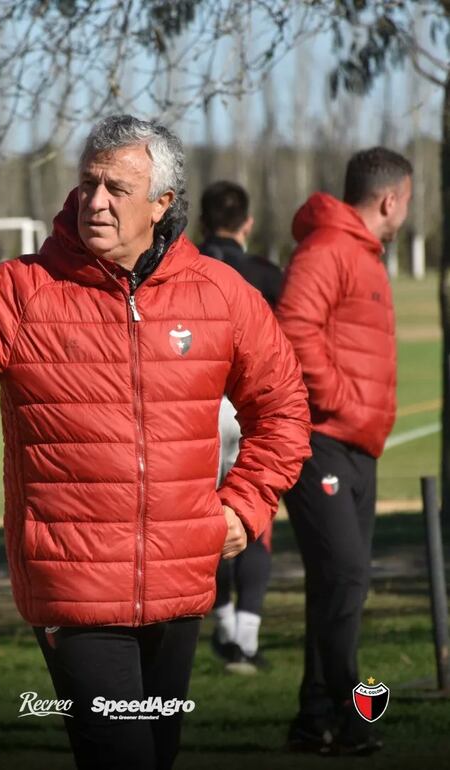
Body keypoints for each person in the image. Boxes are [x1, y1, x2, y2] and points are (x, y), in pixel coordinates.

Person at [0, 115, 311, 770]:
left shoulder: (220, 294)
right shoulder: (19, 293)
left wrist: (245, 505)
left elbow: (283, 408)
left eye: (117, 188)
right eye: (88, 184)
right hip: (75, 591)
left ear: (163, 204)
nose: (97, 202)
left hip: (179, 584)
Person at [276, 147, 412, 756]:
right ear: (392, 200)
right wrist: (341, 400)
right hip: (323, 442)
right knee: (347, 576)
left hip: (356, 446)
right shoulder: (329, 248)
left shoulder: (361, 253)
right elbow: (293, 325)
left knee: (337, 585)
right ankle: (356, 721)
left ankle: (314, 720)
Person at [198, 181, 283, 673]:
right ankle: (246, 641)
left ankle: (225, 630)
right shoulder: (266, 275)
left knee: (205, 520)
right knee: (251, 522)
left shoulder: (181, 266)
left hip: (194, 410)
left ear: (204, 222)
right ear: (246, 223)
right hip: (245, 408)